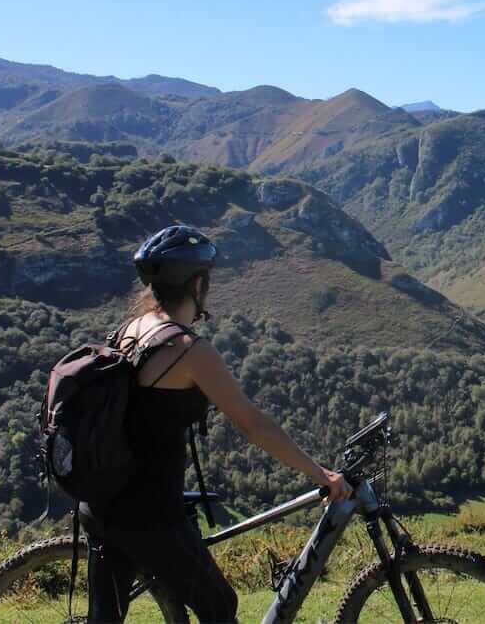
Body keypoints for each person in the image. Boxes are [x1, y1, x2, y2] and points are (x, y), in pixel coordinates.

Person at [81, 224, 351, 623]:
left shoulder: (130, 331)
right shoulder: (189, 351)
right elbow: (253, 424)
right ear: (197, 283)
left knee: (105, 618)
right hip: (149, 515)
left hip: (102, 501)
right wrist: (319, 473)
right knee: (220, 606)